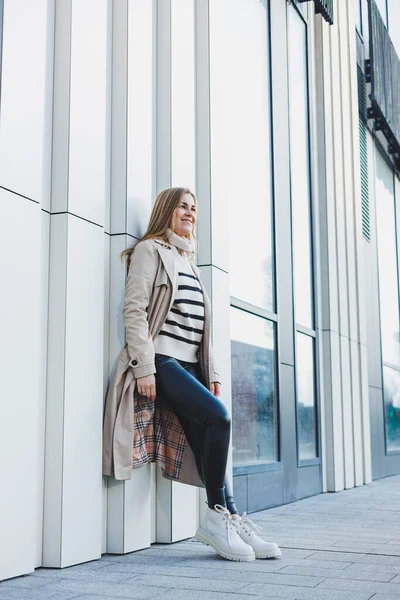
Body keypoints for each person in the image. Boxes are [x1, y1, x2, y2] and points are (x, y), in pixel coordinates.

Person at [102, 187, 281, 562]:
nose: (189, 212)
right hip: (163, 361)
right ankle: (217, 518)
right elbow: (134, 310)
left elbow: (202, 326)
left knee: (206, 440)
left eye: (193, 208)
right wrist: (146, 366)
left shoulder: (190, 261)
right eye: (182, 206)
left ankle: (229, 519)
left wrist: (210, 372)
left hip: (191, 367)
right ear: (167, 210)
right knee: (220, 419)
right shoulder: (151, 251)